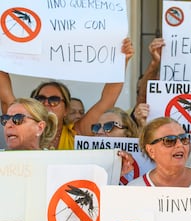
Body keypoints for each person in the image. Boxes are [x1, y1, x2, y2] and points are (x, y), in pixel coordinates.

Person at [0, 37, 134, 150]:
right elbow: (6, 98)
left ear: (66, 110)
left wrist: (121, 62)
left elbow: (106, 102)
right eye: (40, 99)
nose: (46, 103)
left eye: (54, 100)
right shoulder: (19, 124)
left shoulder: (77, 132)